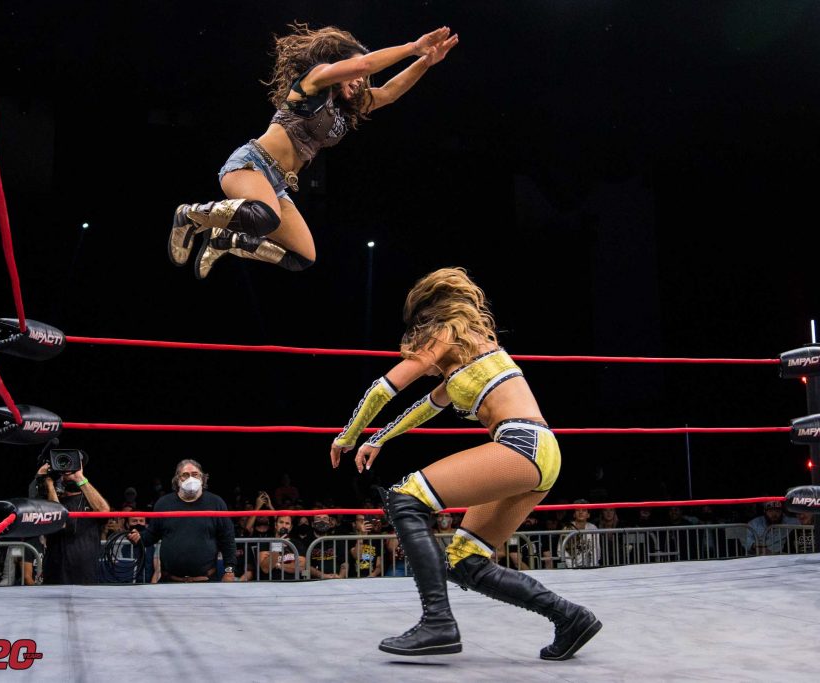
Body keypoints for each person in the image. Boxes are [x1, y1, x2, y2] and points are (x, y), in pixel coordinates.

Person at [330, 267, 601, 659]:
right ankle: (570, 617)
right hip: (537, 452)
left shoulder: (443, 334)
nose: (423, 360)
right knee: (465, 561)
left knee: (404, 498)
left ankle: (437, 622)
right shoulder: (468, 354)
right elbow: (424, 408)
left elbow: (384, 388)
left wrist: (348, 434)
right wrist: (379, 438)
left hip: (522, 445)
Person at [168, 23, 459, 279]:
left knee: (303, 256)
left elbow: (388, 93)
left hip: (277, 185)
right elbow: (364, 66)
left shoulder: (346, 108)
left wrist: (425, 62)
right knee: (266, 217)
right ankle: (191, 215)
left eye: (362, 79)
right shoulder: (314, 80)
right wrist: (413, 48)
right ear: (339, 65)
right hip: (251, 166)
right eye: (355, 72)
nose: (360, 80)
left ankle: (226, 241)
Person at [133, 459, 237, 583]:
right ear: (177, 479)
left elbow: (227, 539)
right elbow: (152, 535)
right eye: (185, 475)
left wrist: (229, 571)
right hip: (170, 581)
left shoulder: (216, 503)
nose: (190, 479)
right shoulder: (164, 503)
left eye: (195, 474)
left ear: (202, 478)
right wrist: (138, 538)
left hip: (205, 581)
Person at [36, 457, 111, 584]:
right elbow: (58, 521)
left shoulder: (91, 498)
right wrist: (48, 483)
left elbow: (104, 512)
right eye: (63, 464)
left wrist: (79, 478)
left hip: (86, 572)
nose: (68, 469)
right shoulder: (48, 498)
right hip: (56, 571)